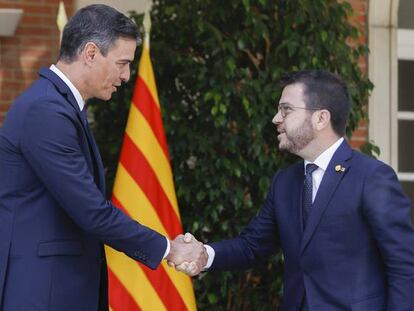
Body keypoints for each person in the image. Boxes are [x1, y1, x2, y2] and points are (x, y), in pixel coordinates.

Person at [0, 4, 206, 311]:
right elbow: (91, 211)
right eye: (122, 63)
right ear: (91, 53)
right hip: (43, 293)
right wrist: (168, 249)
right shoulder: (46, 111)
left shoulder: (60, 107)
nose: (125, 76)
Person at [176, 70, 414, 310]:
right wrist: (205, 254)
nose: (275, 119)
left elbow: (404, 266)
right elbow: (252, 246)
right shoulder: (285, 182)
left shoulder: (371, 177)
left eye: (286, 109)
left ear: (321, 118)